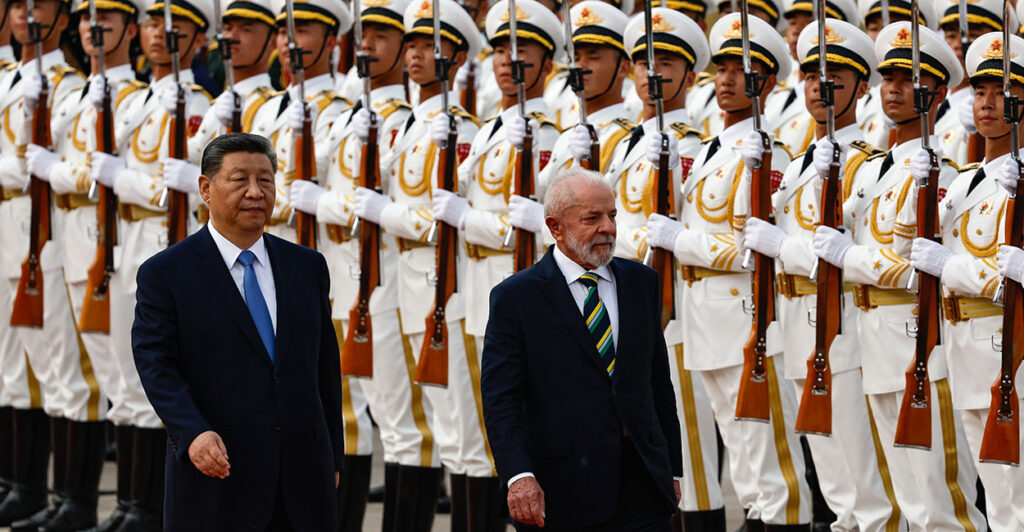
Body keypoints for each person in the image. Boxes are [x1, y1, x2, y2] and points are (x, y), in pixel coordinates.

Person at [812, 21, 986, 530]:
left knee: (940, 500)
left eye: (908, 80)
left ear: (934, 93)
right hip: (872, 340)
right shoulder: (870, 169)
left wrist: (852, 259)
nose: (893, 88)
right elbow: (828, 239)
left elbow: (920, 272)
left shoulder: (942, 173)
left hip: (917, 345)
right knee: (905, 497)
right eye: (888, 77)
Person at [646, 12, 815, 531]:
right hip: (704, 319)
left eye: (741, 70)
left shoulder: (768, 152)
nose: (726, 79)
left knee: (772, 472)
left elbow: (749, 248)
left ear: (765, 80)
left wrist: (682, 241)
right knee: (745, 469)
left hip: (746, 319)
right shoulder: (712, 150)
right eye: (721, 68)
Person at [132, 132, 344, 531]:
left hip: (302, 479)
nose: (255, 192)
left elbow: (324, 370)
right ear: (206, 189)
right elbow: (155, 364)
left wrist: (333, 457)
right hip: (217, 474)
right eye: (240, 180)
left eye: (265, 180)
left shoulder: (306, 266)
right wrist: (191, 432)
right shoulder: (167, 273)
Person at [742, 18, 905, 531]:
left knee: (866, 483)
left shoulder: (867, 164)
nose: (820, 85)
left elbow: (850, 255)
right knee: (835, 484)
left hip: (840, 330)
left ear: (862, 88)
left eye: (835, 74)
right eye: (811, 74)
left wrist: (781, 246)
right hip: (794, 322)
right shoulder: (797, 164)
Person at [481, 168, 683, 531]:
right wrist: (518, 475)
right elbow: (501, 399)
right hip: (559, 491)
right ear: (555, 227)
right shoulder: (516, 297)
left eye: (612, 215)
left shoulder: (641, 283)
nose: (607, 227)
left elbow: (658, 384)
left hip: (641, 485)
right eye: (592, 218)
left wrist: (672, 467)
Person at [904, 30, 1024, 532]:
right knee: (997, 504)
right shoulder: (970, 176)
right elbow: (915, 249)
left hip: (1008, 353)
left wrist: (946, 266)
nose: (988, 104)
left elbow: (1003, 276)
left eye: (1003, 93)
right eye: (979, 92)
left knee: (1016, 504)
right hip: (961, 350)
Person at [0, 0, 86, 526]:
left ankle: (69, 496)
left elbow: (49, 165)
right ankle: (20, 483)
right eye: (17, 4)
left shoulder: (71, 86)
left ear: (63, 18)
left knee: (58, 369)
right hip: (8, 229)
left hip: (44, 232)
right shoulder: (10, 79)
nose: (25, 14)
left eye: (41, 4)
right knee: (12, 369)